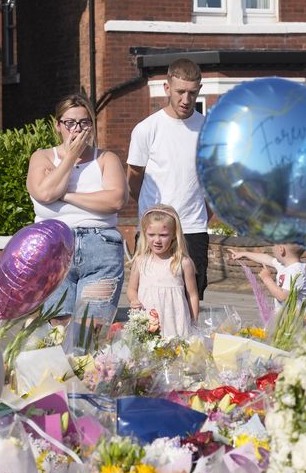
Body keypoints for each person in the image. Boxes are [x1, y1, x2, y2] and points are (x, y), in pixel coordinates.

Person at [26, 93, 127, 324]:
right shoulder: (42, 157)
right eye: (70, 123)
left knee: (91, 329)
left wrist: (67, 195)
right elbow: (44, 193)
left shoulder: (105, 158)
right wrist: (71, 157)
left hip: (100, 245)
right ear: (58, 126)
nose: (77, 129)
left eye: (83, 122)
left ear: (91, 126)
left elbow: (116, 201)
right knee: (58, 326)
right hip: (55, 247)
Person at [127, 58, 210, 299]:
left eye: (192, 93)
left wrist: (202, 214)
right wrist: (150, 212)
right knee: (148, 299)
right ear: (166, 88)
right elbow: (134, 178)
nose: (186, 100)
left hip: (193, 229)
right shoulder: (147, 129)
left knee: (190, 299)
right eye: (180, 92)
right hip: (154, 230)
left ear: (199, 91)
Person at [126, 205, 199, 338]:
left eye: (163, 235)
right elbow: (131, 289)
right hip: (147, 321)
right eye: (151, 235)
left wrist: (193, 323)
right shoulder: (140, 261)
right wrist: (134, 300)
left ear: (173, 235)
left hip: (176, 323)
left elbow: (192, 295)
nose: (157, 240)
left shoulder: (182, 263)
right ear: (144, 233)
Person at [227, 244, 306, 310]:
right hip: (285, 319)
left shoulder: (296, 271)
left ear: (281, 249)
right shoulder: (285, 266)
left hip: (295, 323)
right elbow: (265, 258)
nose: (272, 247)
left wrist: (267, 279)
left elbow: (282, 296)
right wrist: (243, 254)